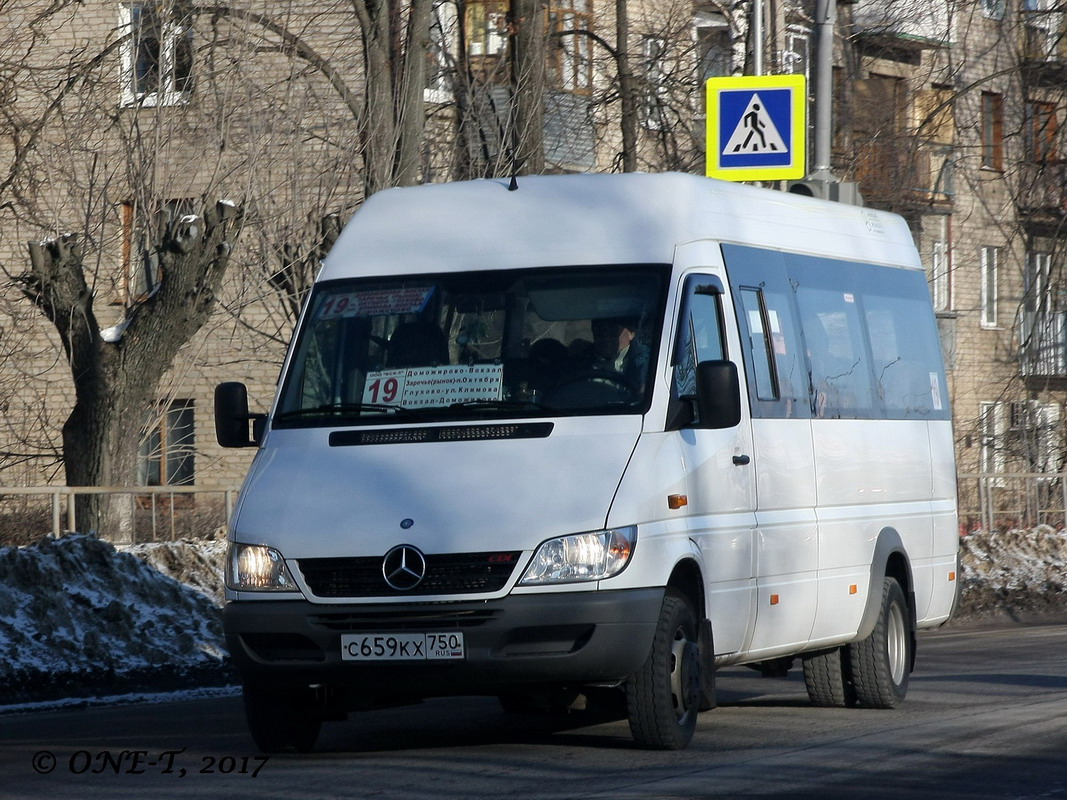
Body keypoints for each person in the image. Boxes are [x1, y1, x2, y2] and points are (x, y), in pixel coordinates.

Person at [590, 316, 649, 392]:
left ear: (631, 333)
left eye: (613, 329)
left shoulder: (647, 365)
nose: (605, 336)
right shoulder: (581, 361)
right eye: (600, 330)